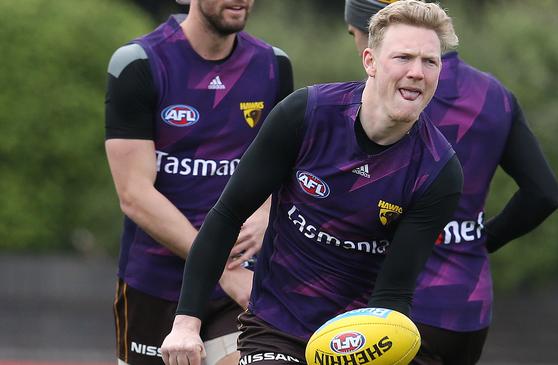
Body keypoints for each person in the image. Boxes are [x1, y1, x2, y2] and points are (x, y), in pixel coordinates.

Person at [159, 1, 464, 364]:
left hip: (356, 342)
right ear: (370, 61)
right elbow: (227, 215)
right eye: (403, 58)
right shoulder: (306, 114)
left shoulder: (438, 170)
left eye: (429, 61)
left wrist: (368, 352)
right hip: (275, 329)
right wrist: (185, 323)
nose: (417, 72)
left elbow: (393, 293)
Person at [344, 0, 558, 364]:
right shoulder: (496, 96)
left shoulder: (379, 99)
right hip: (470, 309)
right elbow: (543, 193)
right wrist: (479, 239)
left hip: (397, 308)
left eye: (353, 35)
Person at [104, 0, 294, 364]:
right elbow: (134, 194)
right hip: (156, 283)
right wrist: (218, 267)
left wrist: (268, 209)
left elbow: (286, 167)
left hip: (241, 286)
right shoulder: (138, 63)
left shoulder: (273, 65)